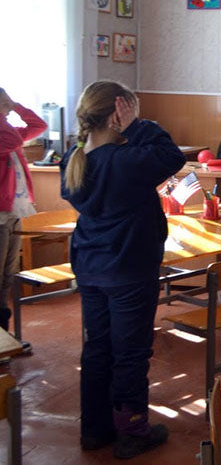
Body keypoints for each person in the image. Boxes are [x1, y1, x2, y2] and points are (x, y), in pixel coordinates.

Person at [60, 81, 186, 458]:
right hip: (129, 269)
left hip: (92, 267)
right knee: (130, 352)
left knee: (97, 348)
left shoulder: (75, 159)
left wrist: (127, 129)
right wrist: (136, 126)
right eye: (132, 111)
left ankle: (96, 430)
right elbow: (170, 155)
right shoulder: (125, 161)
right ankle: (133, 432)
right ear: (119, 114)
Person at [0, 89, 47, 337]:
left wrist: (16, 105)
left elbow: (39, 125)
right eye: (4, 104)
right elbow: (14, 142)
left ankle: (4, 334)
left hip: (12, 212)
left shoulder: (8, 132)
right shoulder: (6, 135)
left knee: (8, 274)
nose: (8, 108)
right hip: (0, 215)